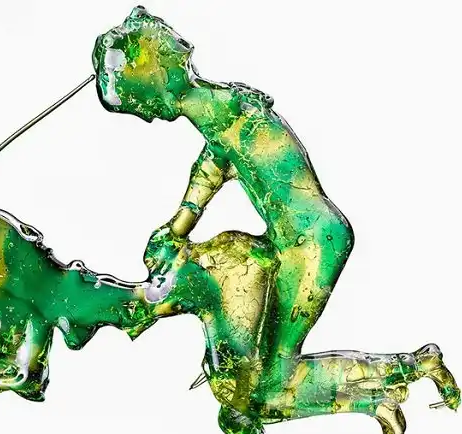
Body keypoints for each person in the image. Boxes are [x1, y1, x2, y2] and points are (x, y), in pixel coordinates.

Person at [92, 7, 354, 392]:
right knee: (261, 377)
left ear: (156, 80)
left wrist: (177, 229)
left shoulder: (227, 111)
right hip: (292, 241)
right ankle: (387, 392)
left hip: (314, 242)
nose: (147, 117)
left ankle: (407, 371)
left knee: (273, 379)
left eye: (140, 105)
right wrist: (176, 227)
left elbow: (216, 163)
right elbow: (214, 164)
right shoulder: (220, 112)